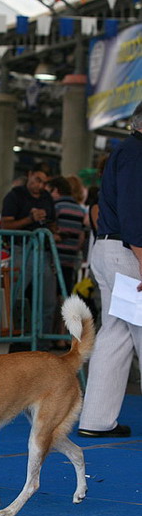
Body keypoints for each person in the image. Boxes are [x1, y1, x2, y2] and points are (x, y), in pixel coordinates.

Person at [78, 102, 142, 438]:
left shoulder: (124, 151)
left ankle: (97, 420)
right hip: (128, 253)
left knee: (116, 334)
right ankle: (97, 419)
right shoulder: (136, 154)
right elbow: (136, 214)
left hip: (110, 250)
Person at [0, 162, 57, 349]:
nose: (40, 186)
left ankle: (42, 346)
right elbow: (5, 226)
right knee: (13, 298)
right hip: (20, 250)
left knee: (47, 301)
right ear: (30, 174)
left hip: (42, 251)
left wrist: (51, 229)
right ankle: (8, 343)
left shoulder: (47, 197)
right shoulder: (15, 195)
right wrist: (29, 220)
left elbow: (54, 223)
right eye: (37, 180)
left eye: (44, 183)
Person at [48, 176, 86, 348]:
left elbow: (52, 230)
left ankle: (53, 335)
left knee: (53, 300)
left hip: (56, 258)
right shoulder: (79, 210)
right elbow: (81, 236)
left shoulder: (57, 207)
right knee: (65, 298)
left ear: (56, 190)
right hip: (70, 259)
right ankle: (62, 336)